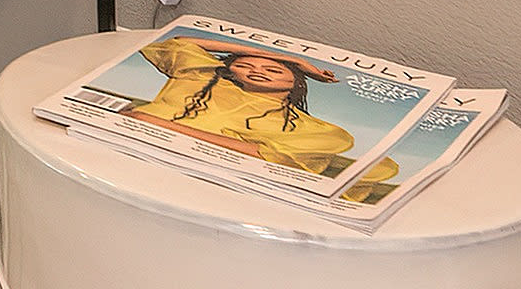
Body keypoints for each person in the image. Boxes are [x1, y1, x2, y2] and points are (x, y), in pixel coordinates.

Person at [127, 36, 395, 195]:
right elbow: (179, 43)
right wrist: (291, 60)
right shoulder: (200, 75)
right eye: (244, 65)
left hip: (210, 183)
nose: (258, 71)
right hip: (133, 155)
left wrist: (154, 123)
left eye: (275, 70)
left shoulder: (310, 127)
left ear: (296, 83)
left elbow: (264, 155)